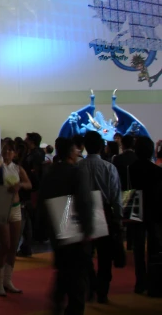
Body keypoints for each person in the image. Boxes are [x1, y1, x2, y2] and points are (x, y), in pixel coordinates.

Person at [39, 138, 94, 315]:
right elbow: (84, 202)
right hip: (75, 228)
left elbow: (42, 201)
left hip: (56, 228)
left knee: (62, 269)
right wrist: (88, 229)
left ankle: (57, 303)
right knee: (77, 275)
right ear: (71, 152)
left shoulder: (50, 172)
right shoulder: (76, 172)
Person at [79, 130, 122, 303]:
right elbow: (116, 197)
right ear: (102, 147)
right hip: (104, 212)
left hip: (83, 212)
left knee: (85, 254)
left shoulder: (78, 167)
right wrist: (118, 219)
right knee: (105, 256)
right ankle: (102, 292)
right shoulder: (109, 167)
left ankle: (90, 286)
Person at [0, 139, 32, 296]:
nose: (7, 153)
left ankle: (8, 280)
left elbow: (29, 184)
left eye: (10, 150)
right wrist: (0, 159)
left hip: (15, 209)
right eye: (5, 150)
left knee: (13, 246)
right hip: (1, 209)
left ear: (15, 153)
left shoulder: (18, 168)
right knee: (4, 246)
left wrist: (19, 185)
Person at [128, 136, 162, 296]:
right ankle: (154, 283)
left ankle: (140, 282)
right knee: (155, 248)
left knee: (138, 248)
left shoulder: (131, 168)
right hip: (154, 211)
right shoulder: (156, 170)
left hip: (136, 209)